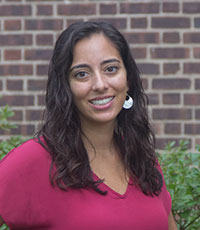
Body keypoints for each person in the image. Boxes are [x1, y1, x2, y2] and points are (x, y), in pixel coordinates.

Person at [0, 21, 177, 230]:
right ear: (66, 87)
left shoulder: (142, 160)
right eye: (82, 74)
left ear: (128, 79)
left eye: (111, 69)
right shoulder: (34, 160)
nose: (100, 84)